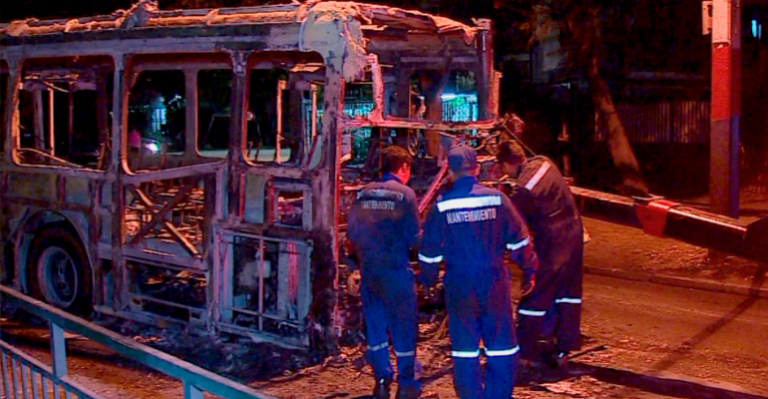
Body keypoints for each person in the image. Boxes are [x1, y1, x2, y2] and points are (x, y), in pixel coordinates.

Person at [419, 144, 538, 399]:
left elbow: (429, 253)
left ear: (450, 172)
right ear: (476, 169)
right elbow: (520, 242)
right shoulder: (498, 200)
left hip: (460, 285)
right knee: (502, 346)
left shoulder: (442, 207)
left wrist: (428, 281)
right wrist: (530, 269)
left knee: (464, 349)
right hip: (494, 282)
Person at [497, 140, 584, 368]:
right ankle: (564, 346)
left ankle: (526, 351)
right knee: (568, 291)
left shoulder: (523, 190)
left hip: (554, 239)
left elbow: (513, 224)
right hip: (574, 231)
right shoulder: (544, 162)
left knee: (536, 290)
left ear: (506, 164)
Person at [347, 145, 422, 399]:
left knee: (376, 327)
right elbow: (414, 237)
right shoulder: (405, 195)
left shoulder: (363, 193)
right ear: (404, 167)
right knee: (403, 327)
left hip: (371, 271)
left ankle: (381, 380)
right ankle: (407, 384)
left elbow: (353, 234)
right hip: (397, 271)